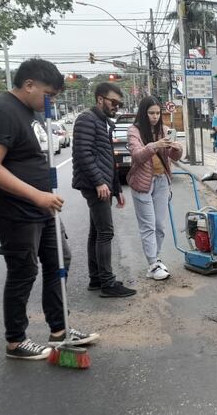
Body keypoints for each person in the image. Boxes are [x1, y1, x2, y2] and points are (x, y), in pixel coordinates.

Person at [0, 58, 98, 360]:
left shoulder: (29, 112)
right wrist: (36, 195)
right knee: (24, 269)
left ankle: (59, 329)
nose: (52, 100)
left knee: (60, 259)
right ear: (29, 85)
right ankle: (16, 341)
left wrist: (44, 194)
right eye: (49, 93)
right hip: (13, 208)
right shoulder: (1, 112)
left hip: (40, 206)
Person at [72, 82, 136, 298]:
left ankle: (96, 278)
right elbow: (83, 153)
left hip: (103, 185)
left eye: (119, 103)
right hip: (94, 186)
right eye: (113, 102)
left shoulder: (101, 121)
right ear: (100, 99)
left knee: (96, 232)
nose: (116, 106)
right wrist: (100, 182)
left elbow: (107, 158)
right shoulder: (86, 119)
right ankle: (107, 283)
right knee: (105, 232)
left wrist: (117, 188)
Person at [126, 96, 183, 281]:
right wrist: (155, 145)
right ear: (144, 113)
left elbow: (174, 157)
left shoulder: (164, 130)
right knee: (148, 226)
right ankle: (152, 263)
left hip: (162, 181)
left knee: (160, 225)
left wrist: (177, 148)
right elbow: (137, 155)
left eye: (158, 113)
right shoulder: (134, 131)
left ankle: (156, 259)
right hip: (143, 183)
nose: (155, 116)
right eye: (151, 113)